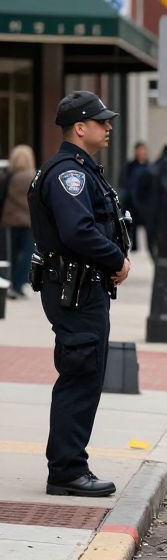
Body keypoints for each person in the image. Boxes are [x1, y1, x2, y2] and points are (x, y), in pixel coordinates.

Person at [27, 91, 132, 496]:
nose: (108, 127)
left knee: (84, 374)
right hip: (76, 289)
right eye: (101, 121)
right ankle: (68, 470)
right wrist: (116, 260)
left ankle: (70, 463)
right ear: (79, 128)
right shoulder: (68, 174)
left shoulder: (82, 169)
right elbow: (78, 231)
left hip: (81, 287)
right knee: (80, 375)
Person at [2, 144, 35, 299]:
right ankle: (18, 284)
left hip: (9, 222)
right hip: (29, 222)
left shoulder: (7, 177)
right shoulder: (34, 177)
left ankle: (9, 284)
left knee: (11, 255)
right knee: (27, 255)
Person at [119, 141, 153, 254]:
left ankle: (149, 248)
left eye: (143, 150)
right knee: (131, 226)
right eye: (139, 150)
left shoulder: (150, 168)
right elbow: (124, 181)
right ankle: (133, 248)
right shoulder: (130, 166)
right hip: (131, 201)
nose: (141, 152)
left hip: (145, 202)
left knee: (147, 228)